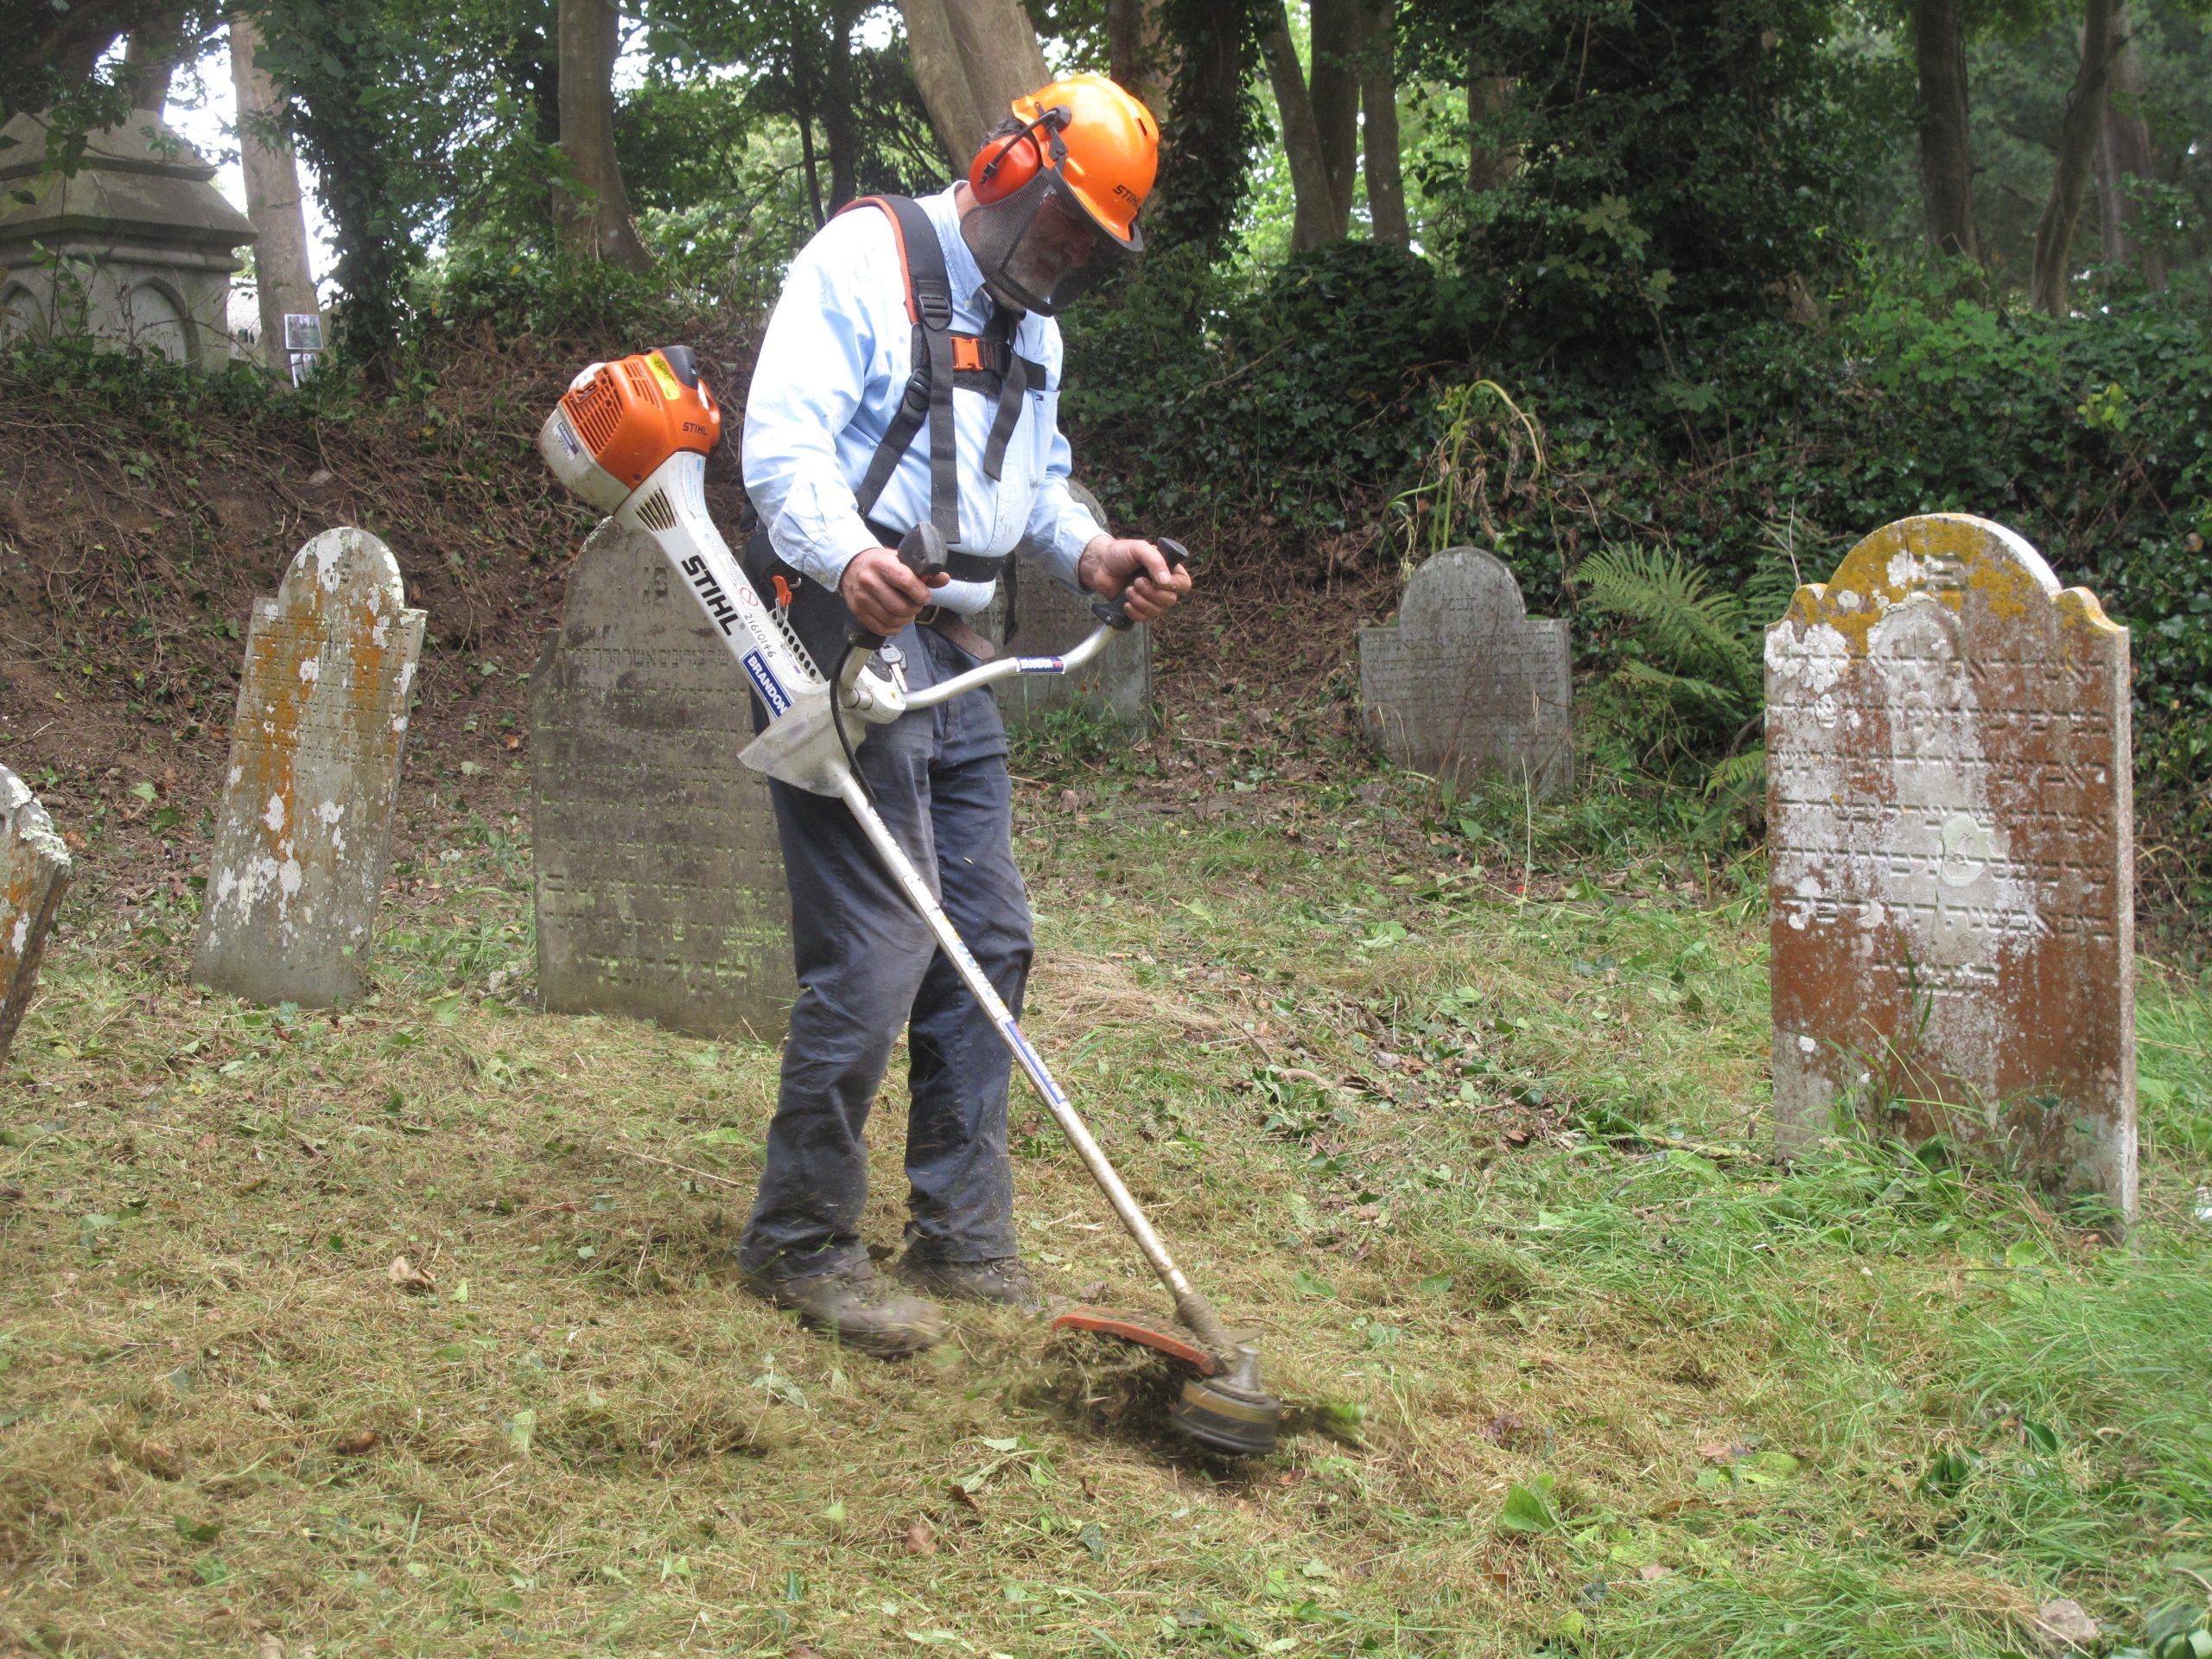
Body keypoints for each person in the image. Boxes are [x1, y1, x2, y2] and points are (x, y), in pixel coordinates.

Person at [737, 73, 1193, 1356]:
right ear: (1007, 169)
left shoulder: (1038, 328)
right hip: (839, 628)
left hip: (957, 645)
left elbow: (1033, 483)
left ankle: (960, 1231)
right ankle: (799, 1241)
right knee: (883, 939)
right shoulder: (865, 256)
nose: (1065, 259)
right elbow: (780, 446)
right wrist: (841, 558)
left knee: (986, 931)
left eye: (1090, 252)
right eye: (1060, 226)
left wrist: (1096, 553)